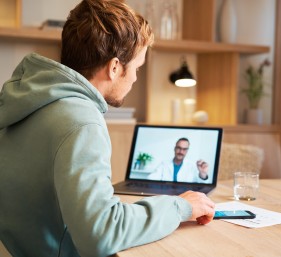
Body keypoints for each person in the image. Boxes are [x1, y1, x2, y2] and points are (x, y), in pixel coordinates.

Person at [0, 1, 215, 256]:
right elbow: (101, 234)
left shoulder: (29, 100)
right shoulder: (81, 122)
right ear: (114, 67)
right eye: (137, 67)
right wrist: (180, 207)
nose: (135, 77)